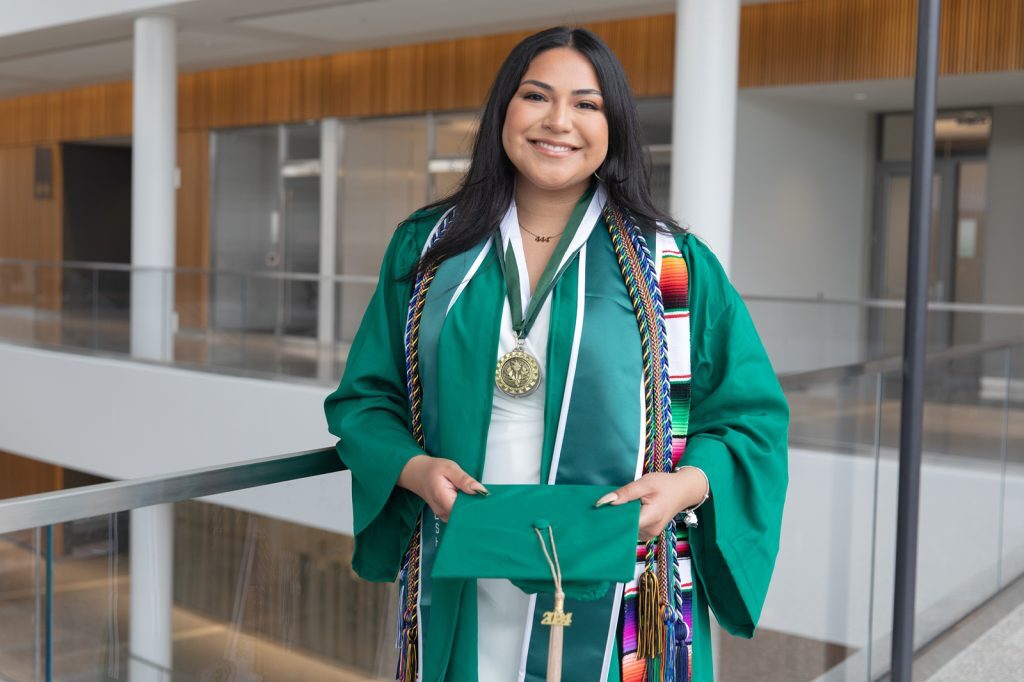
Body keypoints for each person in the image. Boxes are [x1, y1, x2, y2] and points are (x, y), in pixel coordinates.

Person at [324, 26, 788, 682]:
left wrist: (683, 487)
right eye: (537, 97)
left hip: (622, 570)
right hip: (463, 559)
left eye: (586, 104)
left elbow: (749, 419)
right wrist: (413, 470)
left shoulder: (674, 266)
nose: (558, 122)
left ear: (614, 126)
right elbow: (365, 401)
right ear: (503, 113)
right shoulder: (428, 250)